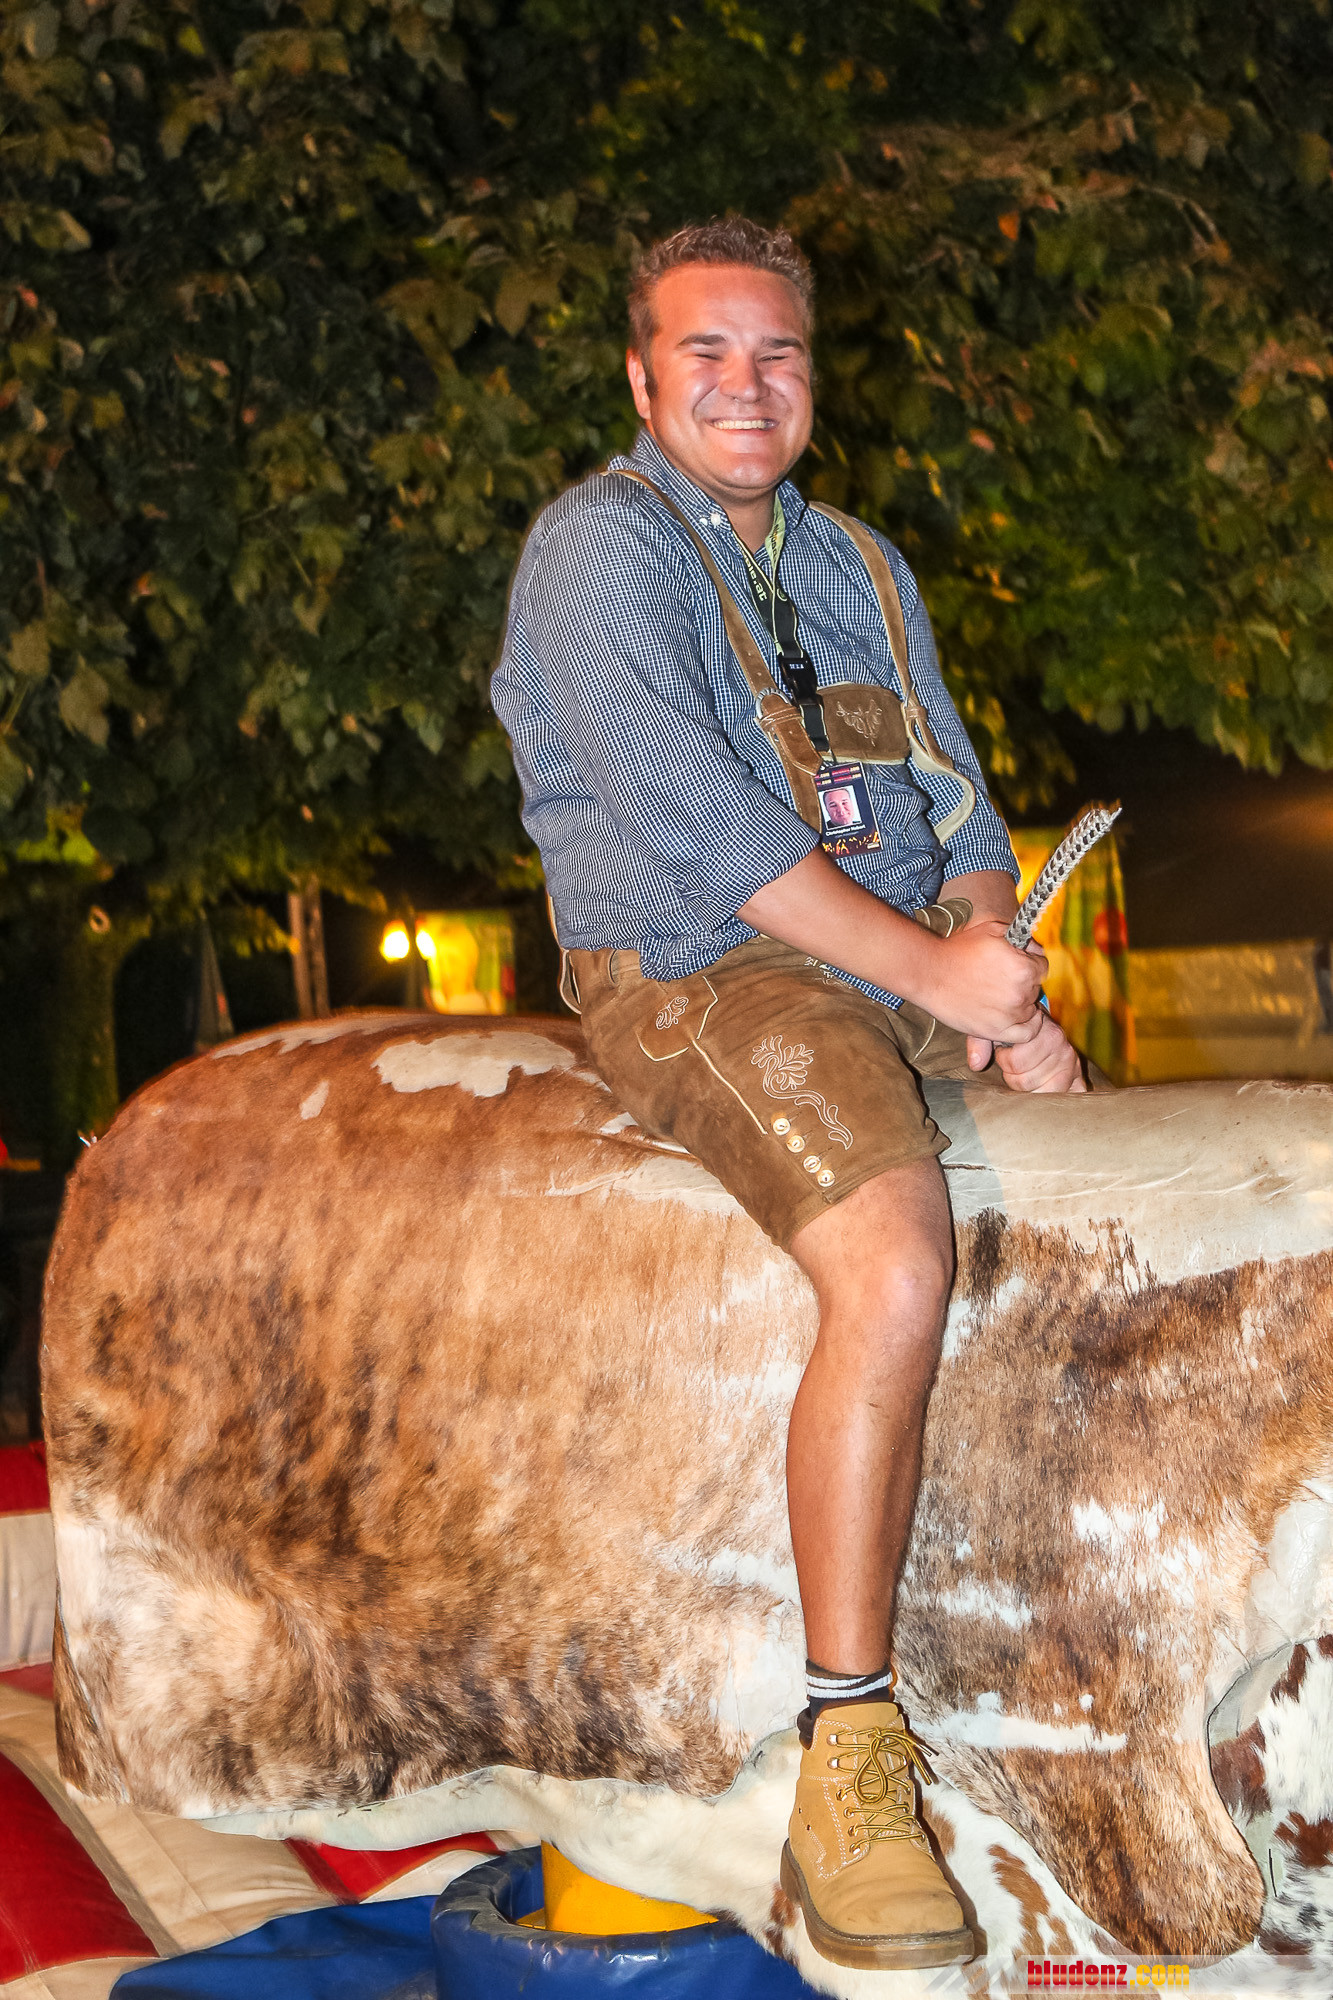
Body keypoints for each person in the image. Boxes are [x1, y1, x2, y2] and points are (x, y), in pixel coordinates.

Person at [491, 216, 1084, 1972]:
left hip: (898, 964)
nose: (745, 386)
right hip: (702, 969)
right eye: (705, 353)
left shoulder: (860, 564)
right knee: (895, 1263)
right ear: (640, 378)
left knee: (1116, 1197)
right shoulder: (596, 551)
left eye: (777, 355)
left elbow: (960, 808)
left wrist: (997, 967)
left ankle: (1051, 1656)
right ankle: (848, 1757)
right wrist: (934, 983)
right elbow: (702, 831)